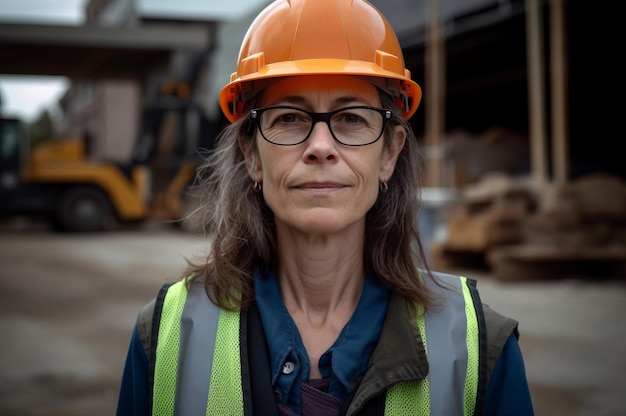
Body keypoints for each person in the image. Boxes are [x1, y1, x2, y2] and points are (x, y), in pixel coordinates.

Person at [116, 0, 535, 414]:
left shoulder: (480, 347)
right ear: (251, 154)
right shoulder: (166, 338)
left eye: (352, 118)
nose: (320, 147)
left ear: (389, 153)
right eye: (289, 118)